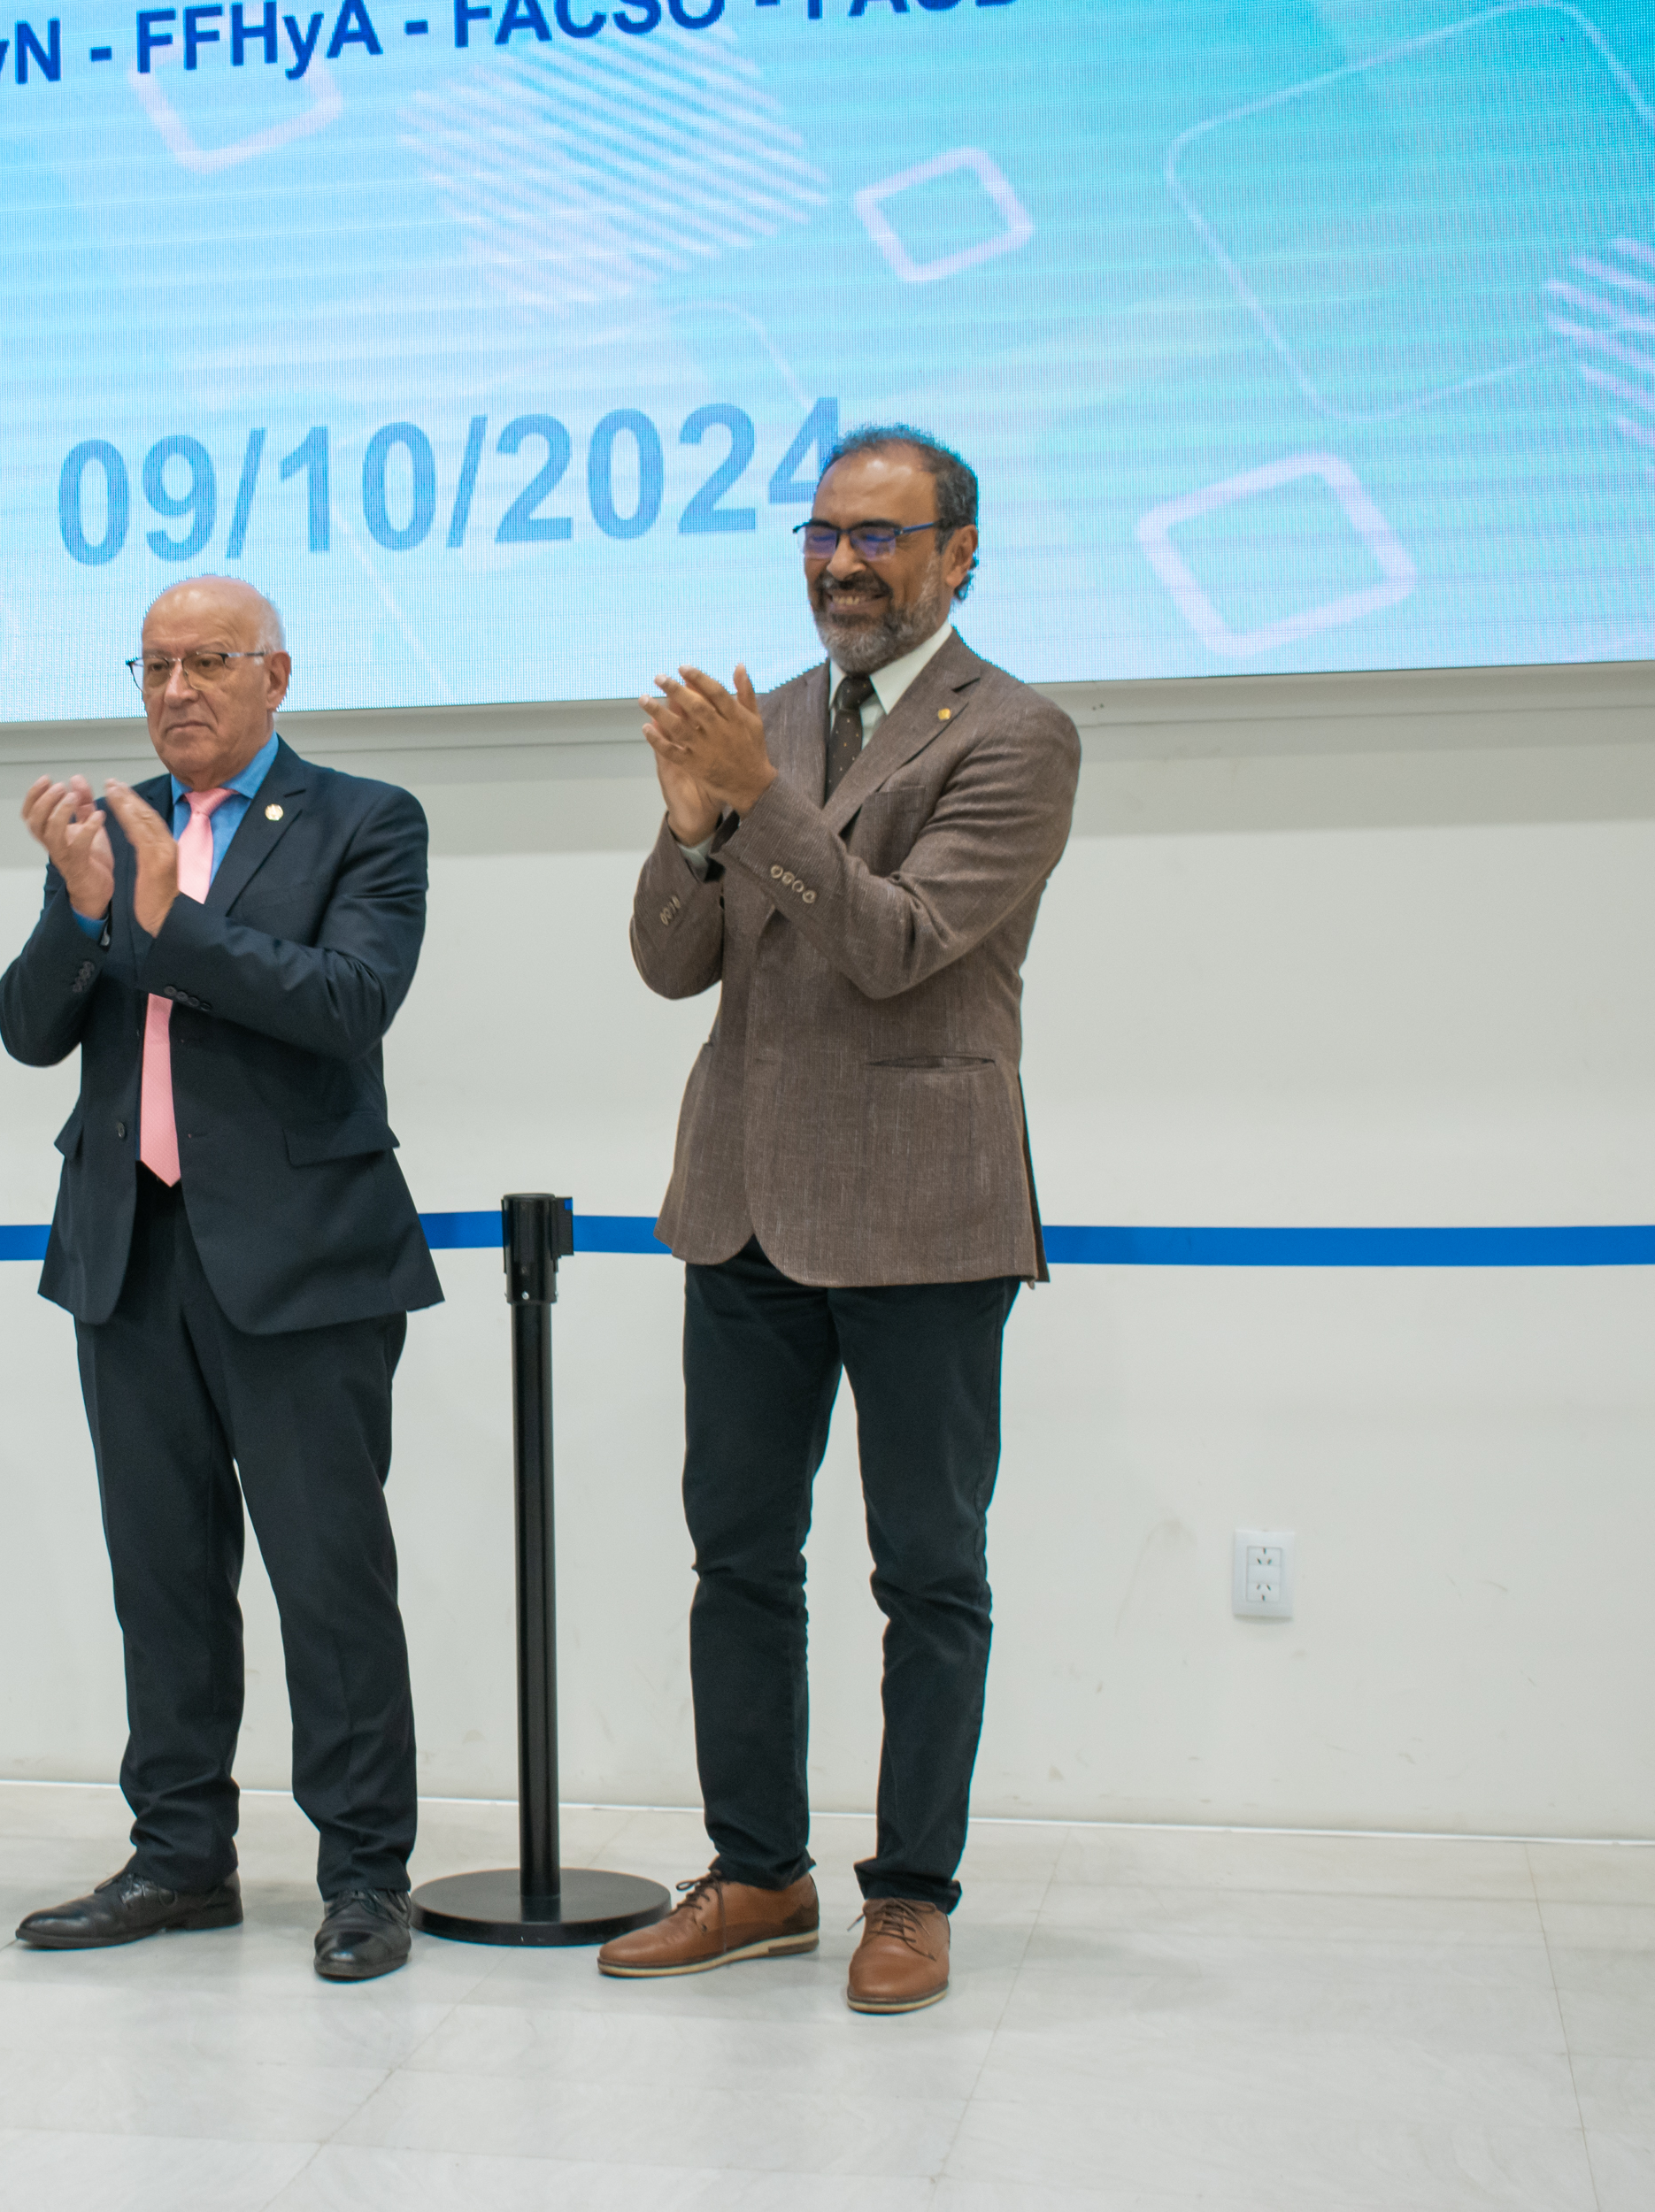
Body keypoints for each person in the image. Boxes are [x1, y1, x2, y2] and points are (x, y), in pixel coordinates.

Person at [599, 426, 1080, 2008]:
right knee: (738, 1556)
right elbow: (673, 964)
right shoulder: (767, 723)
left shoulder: (1015, 733)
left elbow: (898, 948)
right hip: (740, 1199)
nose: (839, 563)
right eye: (820, 533)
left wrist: (760, 812)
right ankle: (756, 1876)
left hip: (922, 1212)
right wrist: (690, 825)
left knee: (927, 1569)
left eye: (878, 537)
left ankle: (910, 1895)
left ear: (957, 553)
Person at [0, 576, 441, 1983]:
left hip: (304, 1260)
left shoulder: (366, 821)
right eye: (154, 666)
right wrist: (82, 913)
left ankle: (365, 1876)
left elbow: (344, 1003)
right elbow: (25, 1031)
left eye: (207, 662)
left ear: (276, 675)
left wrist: (163, 916)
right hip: (128, 1253)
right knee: (163, 1581)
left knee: (329, 1581)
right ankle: (178, 1857)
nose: (175, 689)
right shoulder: (110, 826)